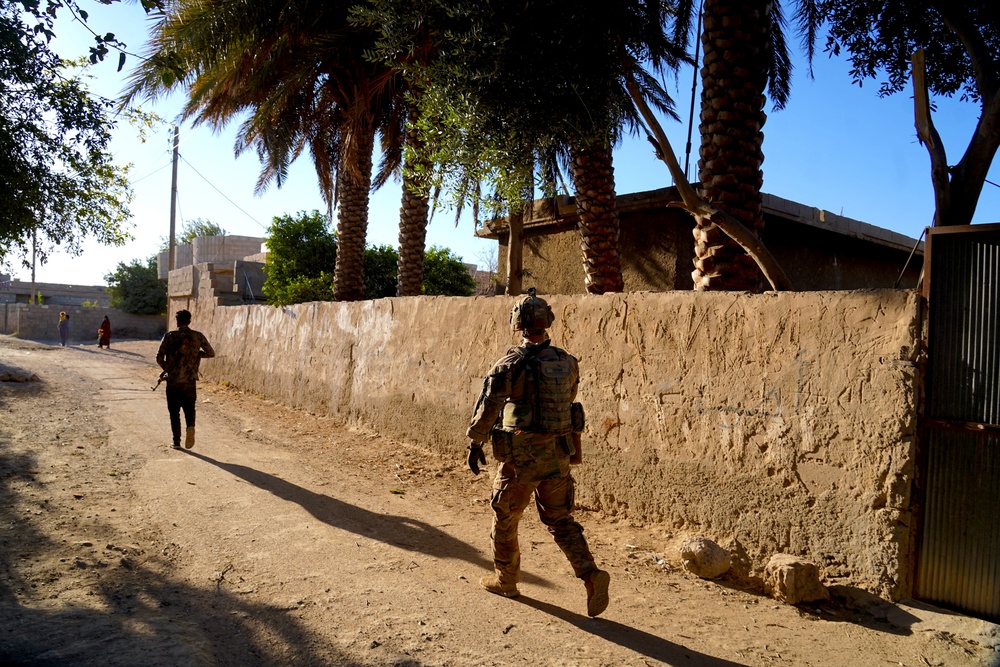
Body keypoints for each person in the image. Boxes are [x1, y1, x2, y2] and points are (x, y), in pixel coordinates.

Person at [466, 288, 610, 617]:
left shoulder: (511, 364)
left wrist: (475, 441)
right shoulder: (566, 361)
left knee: (505, 517)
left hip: (521, 459)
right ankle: (590, 574)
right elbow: (569, 401)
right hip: (558, 455)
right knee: (561, 521)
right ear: (547, 324)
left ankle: (506, 580)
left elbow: (489, 406)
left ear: (518, 326)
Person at [156, 309, 215, 450]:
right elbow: (211, 353)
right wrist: (196, 354)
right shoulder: (197, 336)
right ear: (189, 321)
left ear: (177, 321)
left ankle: (176, 442)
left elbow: (158, 357)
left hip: (173, 381)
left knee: (174, 412)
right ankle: (191, 427)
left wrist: (167, 368)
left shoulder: (169, 336)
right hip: (189, 380)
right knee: (189, 408)